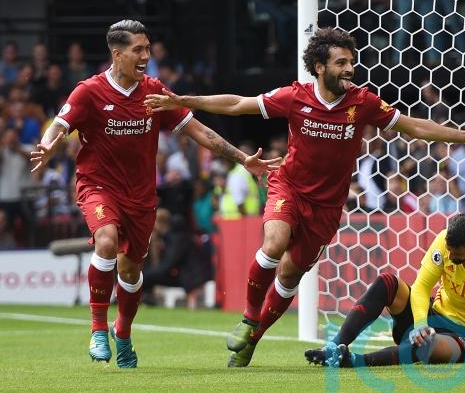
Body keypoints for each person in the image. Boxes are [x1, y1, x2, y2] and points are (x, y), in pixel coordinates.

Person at [144, 27, 465, 367]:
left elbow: (413, 125)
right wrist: (183, 100)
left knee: (289, 275)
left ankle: (253, 337)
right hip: (289, 187)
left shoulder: (362, 102)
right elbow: (239, 103)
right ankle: (249, 318)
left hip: (327, 208)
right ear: (319, 67)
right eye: (341, 62)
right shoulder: (295, 97)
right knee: (274, 244)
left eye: (352, 61)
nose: (350, 68)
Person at [30, 19, 280, 368]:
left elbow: (199, 131)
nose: (146, 56)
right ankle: (98, 328)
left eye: (148, 48)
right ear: (117, 54)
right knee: (106, 241)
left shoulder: (154, 92)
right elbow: (60, 124)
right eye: (138, 50)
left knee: (131, 272)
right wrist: (47, 145)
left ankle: (123, 332)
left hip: (141, 197)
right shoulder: (89, 91)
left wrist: (242, 159)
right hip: (98, 186)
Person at [305, 213, 465, 367]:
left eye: (457, 253)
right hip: (433, 316)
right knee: (386, 282)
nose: (450, 256)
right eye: (449, 250)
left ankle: (353, 361)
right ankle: (333, 347)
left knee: (427, 345)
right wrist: (420, 324)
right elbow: (421, 287)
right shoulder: (443, 242)